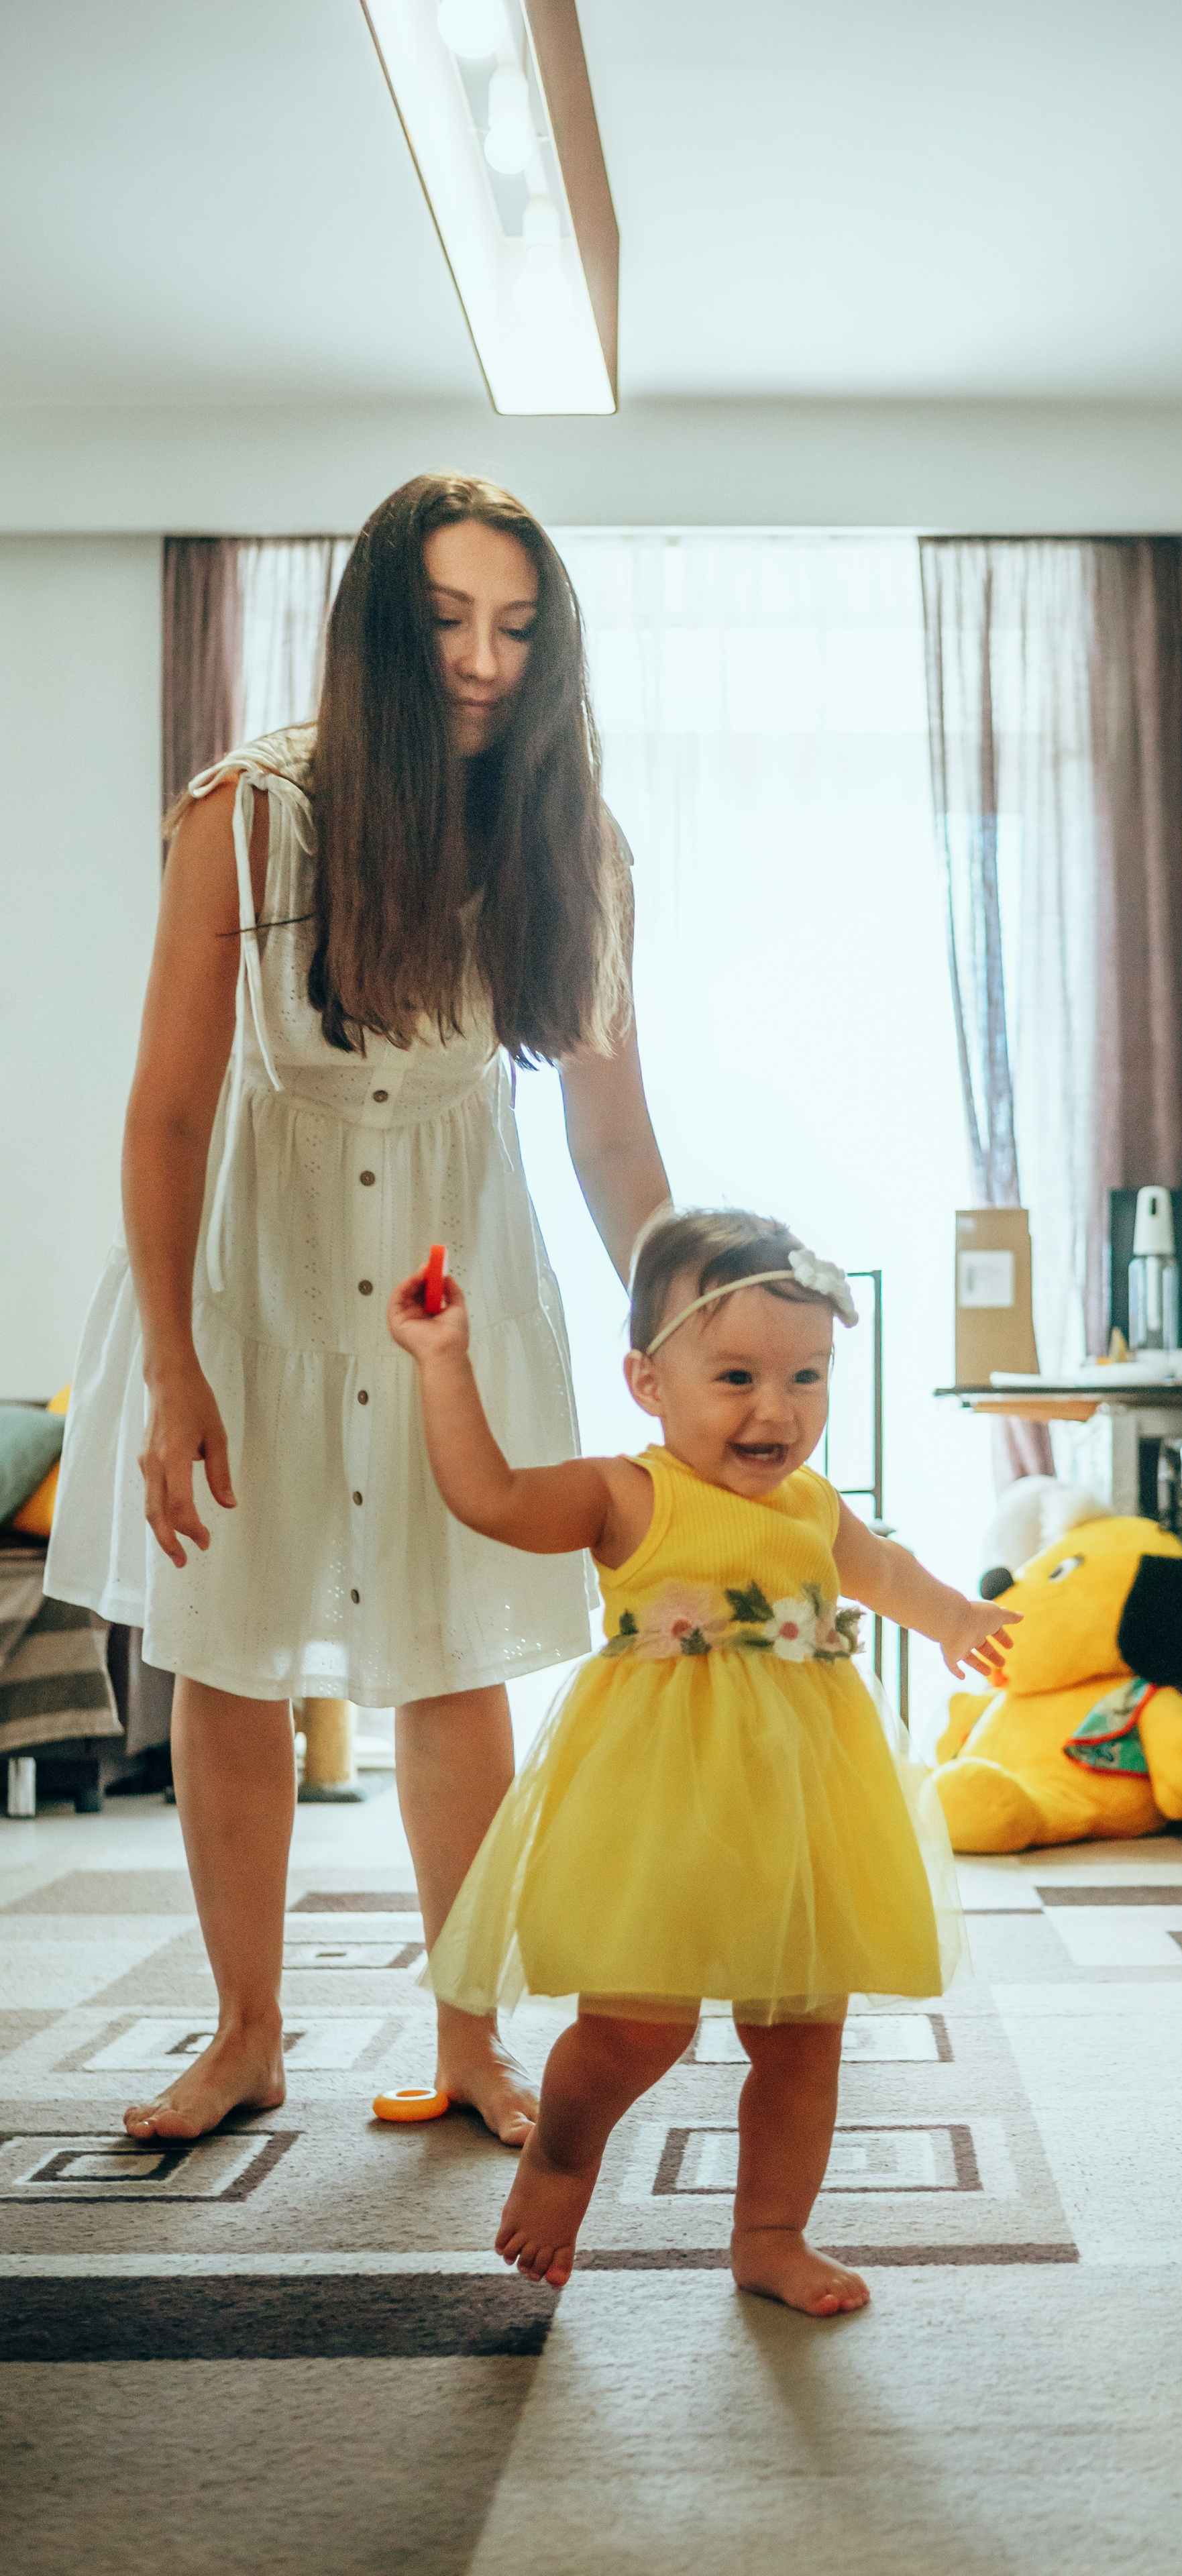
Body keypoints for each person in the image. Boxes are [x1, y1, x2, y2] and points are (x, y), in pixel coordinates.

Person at [46, 473, 670, 2147]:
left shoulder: (570, 832)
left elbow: (609, 1132)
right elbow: (169, 1112)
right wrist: (175, 1366)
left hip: (454, 1292)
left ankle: (471, 2038)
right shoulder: (247, 816)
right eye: (450, 622)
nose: (483, 660)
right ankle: (246, 2033)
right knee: (233, 1660)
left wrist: (680, 1318)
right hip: (252, 1276)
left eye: (519, 629)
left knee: (456, 1663)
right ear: (382, 630)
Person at [386, 1206, 1016, 2316]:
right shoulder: (626, 1495)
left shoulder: (817, 1509)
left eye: (806, 1377)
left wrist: (957, 1618)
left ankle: (770, 2234)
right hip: (659, 1808)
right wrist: (446, 1365)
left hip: (799, 1811)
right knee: (639, 2026)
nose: (775, 1409)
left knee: (804, 2038)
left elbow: (892, 1574)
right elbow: (487, 1496)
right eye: (735, 1376)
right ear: (648, 1382)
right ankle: (564, 2159)